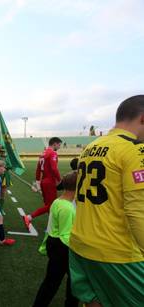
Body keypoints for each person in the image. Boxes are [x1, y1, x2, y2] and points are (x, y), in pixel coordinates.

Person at [69, 96, 144, 307]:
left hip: (80, 245)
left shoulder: (91, 146)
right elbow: (138, 211)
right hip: (117, 251)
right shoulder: (134, 149)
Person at [32, 172, 79, 307]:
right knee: (71, 282)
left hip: (54, 244)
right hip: (63, 248)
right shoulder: (68, 208)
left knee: (51, 282)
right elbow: (66, 236)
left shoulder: (58, 202)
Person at [23, 137, 62, 228]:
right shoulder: (53, 153)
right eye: (59, 145)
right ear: (54, 144)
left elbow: (38, 170)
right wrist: (60, 180)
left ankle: (51, 225)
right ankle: (29, 217)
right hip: (50, 182)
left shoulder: (43, 154)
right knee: (51, 205)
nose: (59, 147)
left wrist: (38, 182)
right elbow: (54, 168)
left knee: (48, 204)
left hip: (43, 181)